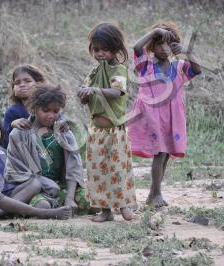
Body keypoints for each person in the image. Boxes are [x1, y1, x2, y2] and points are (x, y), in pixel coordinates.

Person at [128, 21, 201, 208]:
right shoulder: (146, 65)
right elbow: (136, 47)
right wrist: (155, 32)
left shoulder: (179, 66)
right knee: (160, 153)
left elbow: (197, 69)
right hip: (152, 117)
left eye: (168, 44)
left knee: (166, 154)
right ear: (152, 45)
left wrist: (185, 51)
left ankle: (153, 194)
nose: (164, 48)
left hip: (172, 118)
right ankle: (157, 193)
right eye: (159, 43)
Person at [77, 22, 137, 222]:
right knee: (98, 172)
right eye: (96, 50)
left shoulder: (118, 69)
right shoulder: (94, 72)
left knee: (117, 170)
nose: (100, 54)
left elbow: (116, 92)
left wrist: (94, 90)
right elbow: (85, 97)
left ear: (115, 49)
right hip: (97, 132)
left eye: (104, 49)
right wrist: (84, 94)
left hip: (114, 131)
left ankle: (124, 204)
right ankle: (105, 211)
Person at [5, 85, 89, 215]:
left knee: (91, 201)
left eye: (55, 111)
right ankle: (49, 209)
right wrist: (48, 185)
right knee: (42, 205)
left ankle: (62, 206)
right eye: (46, 110)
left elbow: (74, 167)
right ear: (33, 109)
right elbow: (17, 171)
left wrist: (70, 198)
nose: (51, 115)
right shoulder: (19, 134)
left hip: (62, 187)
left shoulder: (64, 132)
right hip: (36, 191)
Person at [2, 65, 46, 149]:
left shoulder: (48, 108)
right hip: (23, 157)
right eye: (17, 83)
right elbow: (4, 143)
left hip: (50, 154)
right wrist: (12, 126)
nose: (22, 85)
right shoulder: (12, 112)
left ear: (39, 84)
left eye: (27, 81)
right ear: (13, 89)